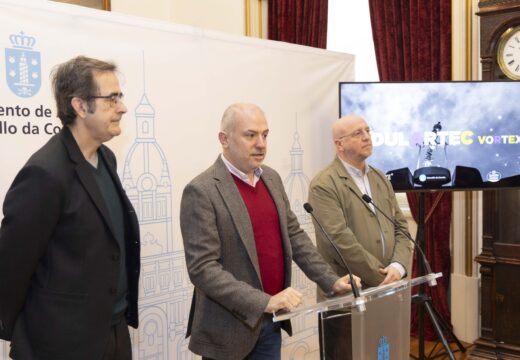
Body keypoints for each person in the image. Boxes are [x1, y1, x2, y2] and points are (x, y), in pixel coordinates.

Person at [179, 103, 360, 360]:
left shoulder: (271, 178)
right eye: (250, 135)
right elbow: (203, 269)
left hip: (271, 321)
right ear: (224, 139)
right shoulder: (202, 190)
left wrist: (330, 280)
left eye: (265, 135)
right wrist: (263, 301)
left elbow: (294, 236)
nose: (261, 143)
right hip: (228, 329)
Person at [0, 56, 140, 360]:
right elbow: (13, 265)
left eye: (121, 96)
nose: (123, 107)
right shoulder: (45, 173)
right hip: (62, 342)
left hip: (112, 331)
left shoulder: (106, 159)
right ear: (80, 106)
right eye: (112, 98)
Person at [308, 114, 413, 359]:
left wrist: (398, 266)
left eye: (367, 130)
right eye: (358, 133)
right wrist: (383, 277)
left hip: (386, 290)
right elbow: (339, 240)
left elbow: (400, 226)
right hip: (347, 297)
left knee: (383, 353)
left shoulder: (379, 178)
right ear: (339, 144)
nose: (367, 136)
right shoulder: (324, 184)